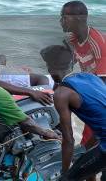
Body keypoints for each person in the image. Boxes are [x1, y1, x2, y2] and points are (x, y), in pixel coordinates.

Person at [41, 45, 106, 181]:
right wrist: (86, 148)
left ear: (49, 68)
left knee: (69, 177)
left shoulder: (61, 94)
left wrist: (65, 174)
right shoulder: (90, 77)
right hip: (103, 140)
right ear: (71, 63)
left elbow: (69, 140)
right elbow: (101, 115)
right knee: (89, 165)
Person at [60, 0, 106, 151]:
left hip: (99, 91)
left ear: (79, 18)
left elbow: (102, 84)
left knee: (88, 145)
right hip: (93, 86)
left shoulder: (98, 44)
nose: (61, 20)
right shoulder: (72, 40)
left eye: (64, 16)